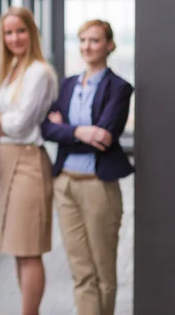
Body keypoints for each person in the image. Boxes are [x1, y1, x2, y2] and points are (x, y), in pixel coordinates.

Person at [41, 19, 134, 315]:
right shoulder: (68, 84)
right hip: (65, 183)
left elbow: (105, 136)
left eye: (94, 40)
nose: (87, 47)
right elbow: (46, 128)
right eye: (82, 40)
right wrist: (81, 131)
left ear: (109, 45)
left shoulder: (118, 87)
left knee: (103, 271)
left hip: (98, 184)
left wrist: (66, 129)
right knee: (81, 271)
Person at [0, 7, 58, 315]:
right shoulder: (9, 69)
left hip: (28, 164)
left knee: (29, 251)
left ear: (32, 32)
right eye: (9, 32)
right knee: (17, 248)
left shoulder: (39, 72)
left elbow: (19, 125)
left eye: (21, 31)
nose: (15, 38)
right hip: (7, 162)